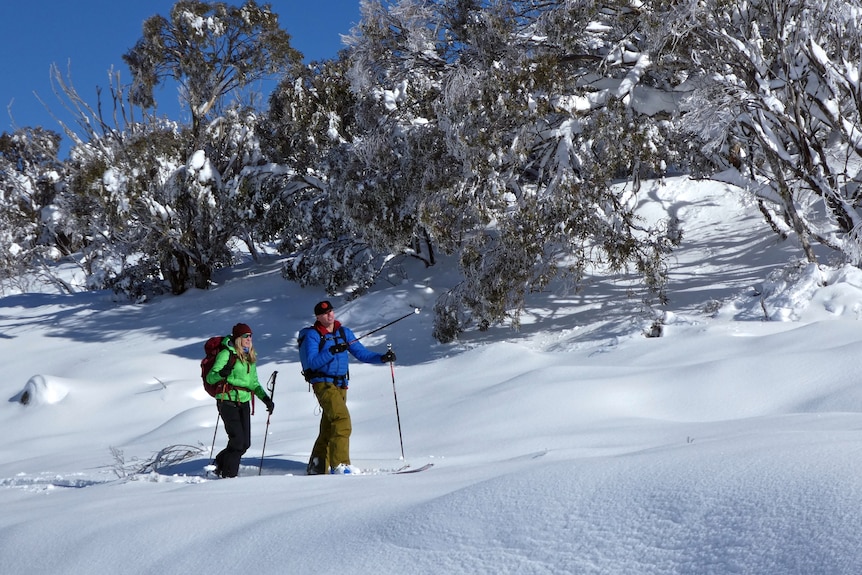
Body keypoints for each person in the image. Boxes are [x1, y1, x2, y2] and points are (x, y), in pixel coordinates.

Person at [299, 300, 396, 475]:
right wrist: (332, 351)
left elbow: (361, 353)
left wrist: (382, 358)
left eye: (331, 311)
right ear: (318, 317)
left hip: (341, 385)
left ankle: (317, 465)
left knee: (329, 426)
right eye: (325, 313)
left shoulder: (343, 332)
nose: (330, 315)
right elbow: (313, 363)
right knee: (342, 420)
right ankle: (340, 465)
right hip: (323, 383)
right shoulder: (313, 335)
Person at [206, 322, 274, 478]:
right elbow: (211, 378)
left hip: (244, 402)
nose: (249, 339)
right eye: (245, 336)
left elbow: (254, 383)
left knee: (245, 443)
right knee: (237, 441)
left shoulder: (250, 357)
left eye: (250, 336)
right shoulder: (226, 354)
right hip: (227, 400)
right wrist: (222, 373)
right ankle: (229, 476)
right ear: (238, 338)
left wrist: (266, 399)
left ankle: (220, 463)